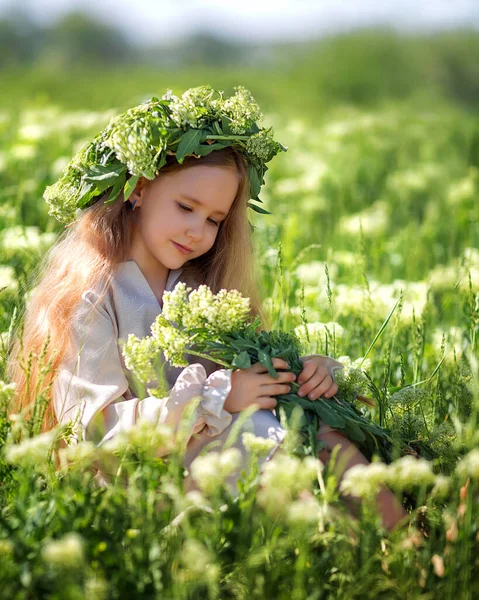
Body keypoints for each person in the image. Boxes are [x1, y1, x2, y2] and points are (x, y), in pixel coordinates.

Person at [8, 86, 407, 532]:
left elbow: (252, 377)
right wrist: (217, 397)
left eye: (214, 220)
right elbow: (96, 434)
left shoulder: (202, 287)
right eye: (186, 207)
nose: (198, 230)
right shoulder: (93, 297)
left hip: (207, 456)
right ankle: (346, 546)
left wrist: (306, 374)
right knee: (260, 430)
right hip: (137, 486)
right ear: (139, 189)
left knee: (307, 420)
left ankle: (405, 545)